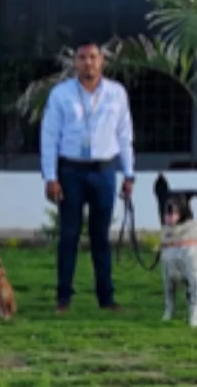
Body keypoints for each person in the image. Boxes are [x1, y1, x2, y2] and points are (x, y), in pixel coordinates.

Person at [40, 39, 134, 313]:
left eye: (93, 57)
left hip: (105, 170)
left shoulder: (117, 93)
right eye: (82, 57)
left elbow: (125, 136)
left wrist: (129, 174)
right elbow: (49, 137)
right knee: (69, 235)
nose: (88, 62)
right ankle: (63, 298)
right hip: (71, 170)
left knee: (100, 237)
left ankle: (106, 298)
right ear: (75, 62)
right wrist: (50, 176)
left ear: (102, 61)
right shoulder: (61, 94)